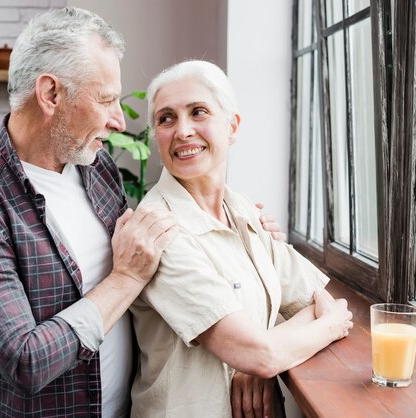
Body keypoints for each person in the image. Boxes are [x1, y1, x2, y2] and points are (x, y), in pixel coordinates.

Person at [0, 8, 285, 418]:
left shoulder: (95, 166)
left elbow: (165, 254)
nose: (118, 120)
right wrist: (125, 279)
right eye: (106, 99)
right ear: (50, 94)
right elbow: (25, 362)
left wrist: (244, 242)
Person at [129, 60, 354, 418]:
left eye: (198, 112)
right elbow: (264, 352)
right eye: (166, 118)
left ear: (232, 126)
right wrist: (319, 330)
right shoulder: (159, 228)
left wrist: (264, 353)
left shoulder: (245, 210)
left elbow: (316, 299)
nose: (182, 130)